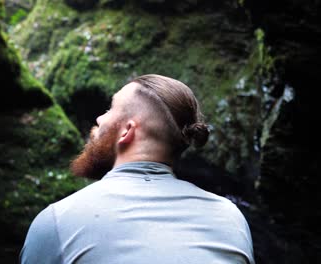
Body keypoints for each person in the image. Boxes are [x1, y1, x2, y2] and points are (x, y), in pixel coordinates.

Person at [19, 74, 255, 264]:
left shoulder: (58, 221)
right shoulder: (230, 217)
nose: (100, 119)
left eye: (110, 109)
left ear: (126, 131)